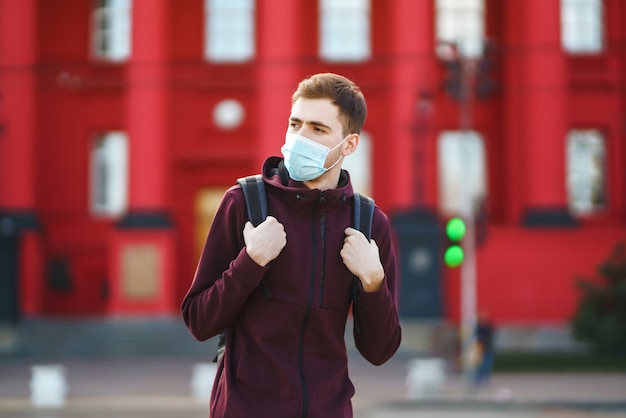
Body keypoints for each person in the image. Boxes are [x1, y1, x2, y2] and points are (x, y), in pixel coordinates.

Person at [181, 72, 401, 418]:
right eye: (295, 124)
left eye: (317, 129)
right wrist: (250, 262)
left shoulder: (369, 224)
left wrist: (374, 283)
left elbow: (379, 351)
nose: (300, 137)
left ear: (349, 145)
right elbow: (199, 321)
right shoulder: (244, 203)